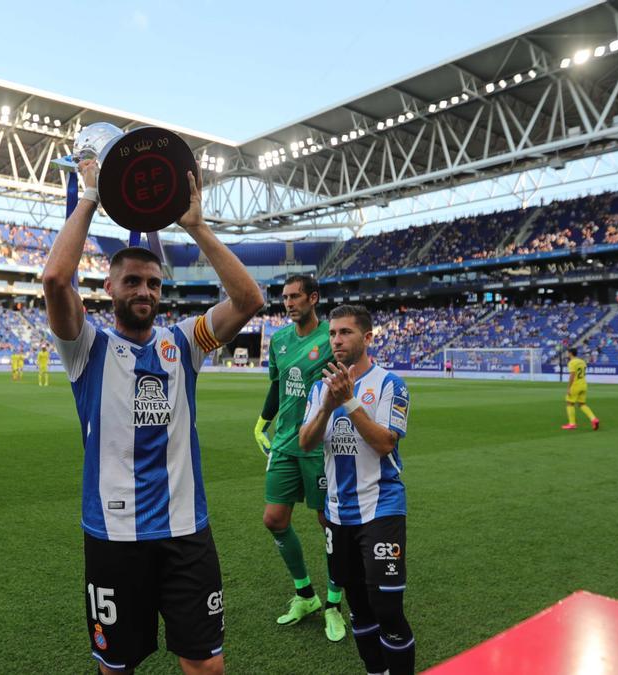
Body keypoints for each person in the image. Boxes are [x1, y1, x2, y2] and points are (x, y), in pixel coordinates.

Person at [43, 160, 263, 674]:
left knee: (206, 666)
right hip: (114, 536)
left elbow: (249, 299)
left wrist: (196, 226)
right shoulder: (86, 348)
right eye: (133, 282)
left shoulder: (185, 342)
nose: (145, 291)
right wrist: (89, 198)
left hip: (186, 532)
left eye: (154, 284)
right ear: (109, 289)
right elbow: (55, 279)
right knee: (116, 667)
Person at [299, 305, 415, 675]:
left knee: (387, 609)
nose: (336, 340)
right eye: (332, 333)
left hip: (381, 508)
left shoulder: (390, 385)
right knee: (358, 607)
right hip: (338, 514)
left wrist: (348, 401)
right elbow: (305, 442)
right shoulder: (321, 388)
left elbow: (385, 443)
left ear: (367, 338)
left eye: (345, 332)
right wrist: (327, 406)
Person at [253, 275, 346, 640]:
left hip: (321, 445)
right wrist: (263, 422)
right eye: (285, 297)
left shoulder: (331, 338)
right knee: (274, 519)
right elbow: (277, 386)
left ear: (313, 298)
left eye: (295, 297)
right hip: (285, 443)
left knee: (329, 523)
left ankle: (334, 604)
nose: (288, 303)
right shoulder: (278, 340)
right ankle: (305, 594)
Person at [562, 347, 599, 430]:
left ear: (571, 353)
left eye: (568, 353)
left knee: (569, 403)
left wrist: (569, 387)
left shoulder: (572, 362)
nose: (567, 354)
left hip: (575, 385)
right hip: (583, 384)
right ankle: (594, 419)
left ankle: (572, 424)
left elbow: (572, 375)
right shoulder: (582, 361)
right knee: (582, 404)